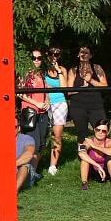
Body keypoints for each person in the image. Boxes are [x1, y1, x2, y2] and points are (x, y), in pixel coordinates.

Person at [17, 49, 50, 184]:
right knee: (32, 144)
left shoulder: (42, 74)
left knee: (41, 144)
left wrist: (47, 101)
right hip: (30, 113)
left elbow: (46, 90)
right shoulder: (25, 74)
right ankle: (27, 174)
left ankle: (33, 173)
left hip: (43, 113)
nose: (36, 60)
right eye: (34, 58)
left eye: (39, 58)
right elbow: (19, 93)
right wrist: (36, 103)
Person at [0, 116, 36, 192]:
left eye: (14, 127)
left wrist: (11, 165)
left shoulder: (27, 139)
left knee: (25, 166)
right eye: (8, 126)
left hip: (22, 174)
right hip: (3, 171)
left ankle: (13, 191)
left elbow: (29, 154)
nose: (11, 129)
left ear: (19, 128)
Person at [67, 46, 108, 146]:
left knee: (101, 130)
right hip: (78, 106)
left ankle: (103, 156)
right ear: (78, 55)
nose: (83, 54)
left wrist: (91, 80)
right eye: (81, 52)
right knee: (82, 133)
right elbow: (68, 92)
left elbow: (105, 86)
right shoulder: (73, 70)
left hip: (96, 106)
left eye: (86, 52)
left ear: (90, 55)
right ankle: (83, 156)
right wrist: (81, 87)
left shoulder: (97, 68)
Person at [44, 47, 68, 176]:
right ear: (47, 55)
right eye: (52, 54)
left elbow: (65, 89)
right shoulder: (42, 70)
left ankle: (53, 165)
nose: (54, 56)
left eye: (57, 54)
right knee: (43, 134)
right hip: (45, 103)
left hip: (60, 103)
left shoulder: (62, 70)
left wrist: (59, 71)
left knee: (57, 135)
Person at [78, 119, 111, 190]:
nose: (100, 132)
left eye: (103, 131)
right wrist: (97, 165)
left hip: (106, 171)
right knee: (84, 160)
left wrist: (94, 146)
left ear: (108, 132)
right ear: (94, 130)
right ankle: (84, 183)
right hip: (93, 171)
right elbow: (81, 154)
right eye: (98, 130)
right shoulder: (87, 141)